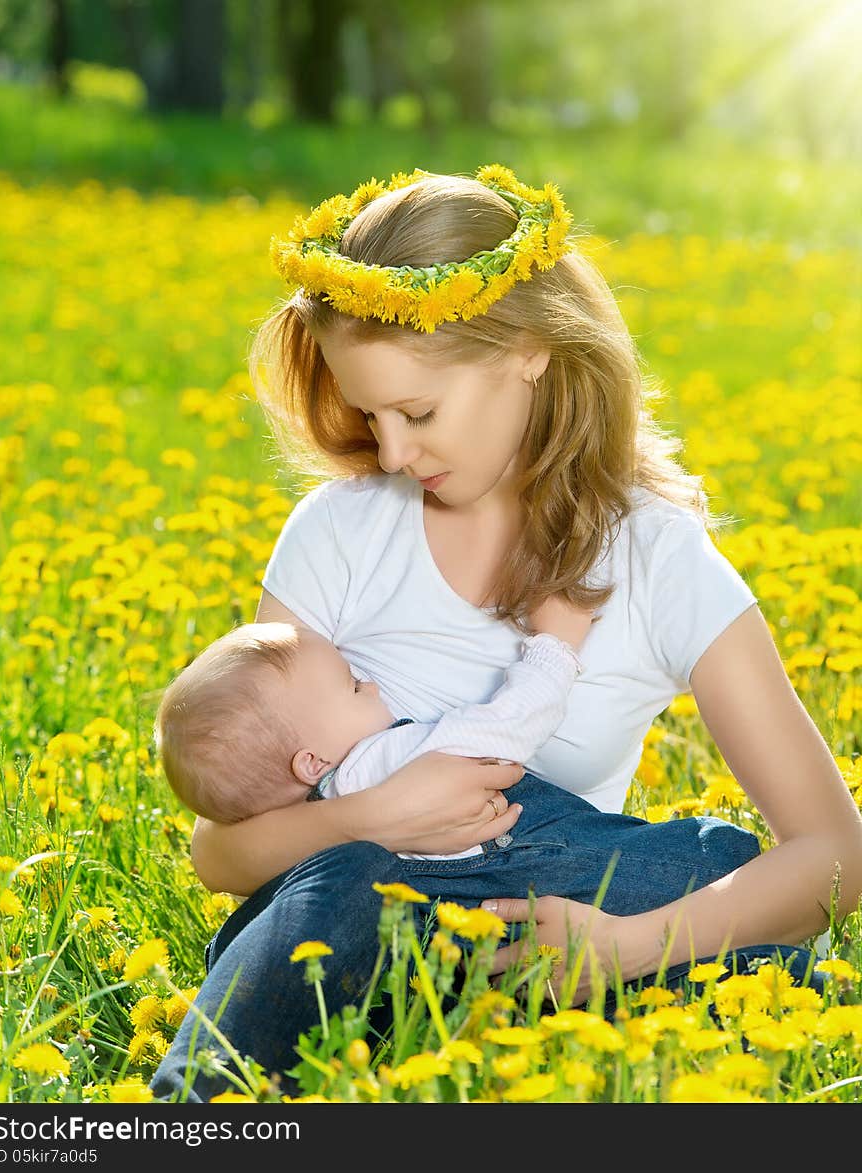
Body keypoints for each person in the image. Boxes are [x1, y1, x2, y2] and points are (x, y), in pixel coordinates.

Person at [150, 164, 862, 1102]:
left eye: (419, 412)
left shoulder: (655, 560)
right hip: (355, 937)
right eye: (372, 415)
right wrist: (373, 817)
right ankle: (192, 1113)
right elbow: (222, 850)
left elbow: (834, 858)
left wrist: (621, 947)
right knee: (345, 884)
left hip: (551, 944)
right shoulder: (342, 530)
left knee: (710, 873)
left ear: (528, 349)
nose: (394, 452)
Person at [153, 613, 760, 893]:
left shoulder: (309, 823)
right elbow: (507, 725)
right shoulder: (382, 763)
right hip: (531, 859)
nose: (373, 683)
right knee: (678, 860)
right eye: (353, 685)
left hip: (461, 903)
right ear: (311, 762)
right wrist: (556, 648)